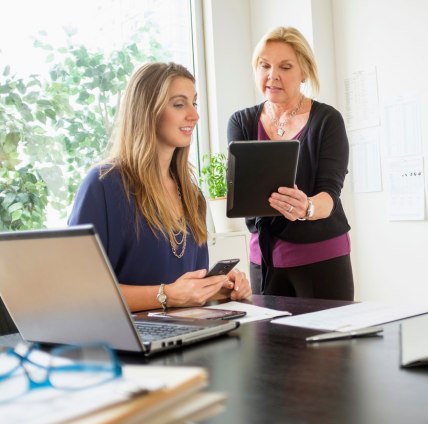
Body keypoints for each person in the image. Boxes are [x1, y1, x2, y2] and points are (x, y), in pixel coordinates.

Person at [69, 62, 251, 312]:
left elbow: (185, 289)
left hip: (185, 333)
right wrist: (166, 295)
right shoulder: (103, 184)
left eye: (194, 103)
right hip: (128, 341)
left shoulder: (191, 194)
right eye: (179, 104)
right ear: (147, 111)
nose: (194, 115)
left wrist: (219, 289)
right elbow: (79, 291)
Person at [227, 27, 354, 300]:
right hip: (264, 259)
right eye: (264, 66)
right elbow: (243, 193)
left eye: (285, 67)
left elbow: (330, 194)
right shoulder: (241, 123)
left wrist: (306, 207)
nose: (273, 75)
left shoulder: (327, 121)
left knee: (329, 341)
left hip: (321, 257)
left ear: (304, 72)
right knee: (268, 342)